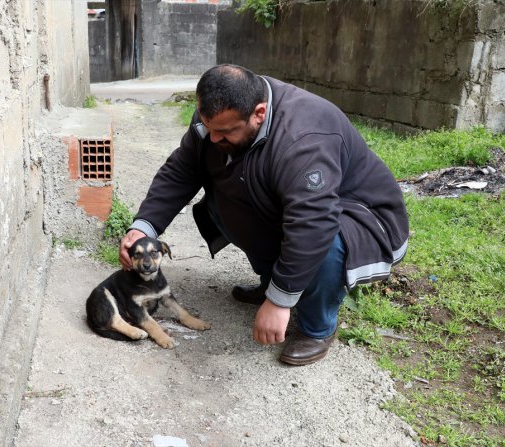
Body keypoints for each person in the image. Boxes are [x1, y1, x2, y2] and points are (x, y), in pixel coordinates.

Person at [119, 64, 409, 366]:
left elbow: (313, 224)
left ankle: (317, 327)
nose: (214, 138)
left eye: (226, 131)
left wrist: (280, 302)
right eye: (209, 128)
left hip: (362, 218)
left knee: (326, 239)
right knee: (225, 194)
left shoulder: (304, 138)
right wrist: (144, 228)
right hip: (302, 209)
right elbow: (181, 171)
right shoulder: (219, 115)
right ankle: (273, 281)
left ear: (259, 113)